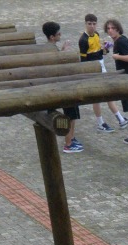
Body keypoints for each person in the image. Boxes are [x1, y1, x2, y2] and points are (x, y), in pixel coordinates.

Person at [78, 14, 126, 133]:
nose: (92, 26)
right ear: (85, 24)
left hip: (101, 66)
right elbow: (83, 60)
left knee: (108, 93)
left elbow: (101, 52)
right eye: (90, 24)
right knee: (97, 98)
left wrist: (105, 49)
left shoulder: (97, 35)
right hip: (92, 71)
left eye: (94, 24)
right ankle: (101, 123)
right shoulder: (83, 40)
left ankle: (120, 119)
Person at [41, 23, 84, 153]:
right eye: (58, 34)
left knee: (72, 112)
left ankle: (71, 137)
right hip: (60, 88)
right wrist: (64, 54)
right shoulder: (52, 50)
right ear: (52, 36)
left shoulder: (48, 48)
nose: (60, 35)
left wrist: (62, 51)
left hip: (54, 87)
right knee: (71, 113)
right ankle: (68, 143)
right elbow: (57, 67)